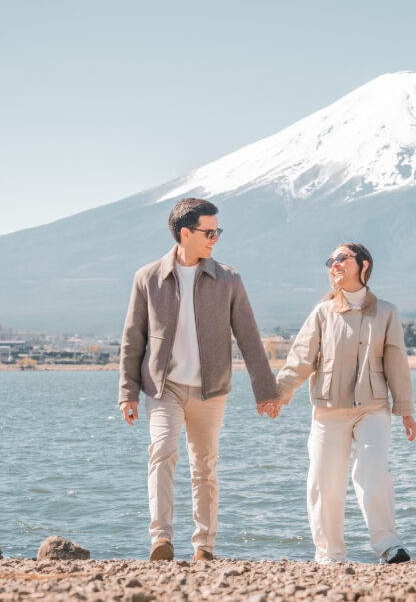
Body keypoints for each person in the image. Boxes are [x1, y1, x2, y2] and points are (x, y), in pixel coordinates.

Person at [118, 197, 282, 562]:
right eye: (209, 232)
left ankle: (203, 546)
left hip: (211, 389)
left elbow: (249, 337)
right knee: (162, 451)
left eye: (217, 231)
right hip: (164, 387)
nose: (215, 238)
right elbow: (133, 338)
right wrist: (127, 391)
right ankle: (161, 540)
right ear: (185, 233)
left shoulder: (229, 279)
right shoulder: (148, 278)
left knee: (204, 465)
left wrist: (265, 391)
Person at [276, 242, 416, 564]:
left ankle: (389, 546)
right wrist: (279, 393)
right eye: (330, 260)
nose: (334, 264)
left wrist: (405, 410)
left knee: (374, 473)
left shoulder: (387, 312)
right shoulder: (323, 312)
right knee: (323, 480)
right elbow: (301, 357)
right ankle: (330, 555)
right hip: (329, 410)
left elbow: (397, 363)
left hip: (373, 408)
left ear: (363, 265)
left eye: (342, 258)